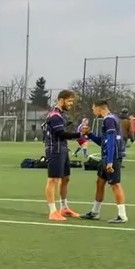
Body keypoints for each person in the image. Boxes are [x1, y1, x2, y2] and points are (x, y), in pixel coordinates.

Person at [80, 99, 128, 224]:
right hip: (105, 156)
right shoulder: (110, 119)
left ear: (99, 108)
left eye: (93, 108)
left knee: (115, 185)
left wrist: (110, 161)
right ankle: (95, 212)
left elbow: (111, 140)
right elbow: (103, 141)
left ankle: (122, 215)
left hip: (112, 157)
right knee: (100, 182)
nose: (93, 111)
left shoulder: (109, 120)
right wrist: (89, 134)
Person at [43, 90, 83, 221]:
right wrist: (80, 135)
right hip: (55, 150)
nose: (71, 103)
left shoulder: (61, 115)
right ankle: (52, 211)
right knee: (53, 180)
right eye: (69, 101)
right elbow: (61, 134)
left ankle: (64, 208)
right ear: (61, 100)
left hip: (63, 149)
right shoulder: (55, 116)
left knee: (65, 178)